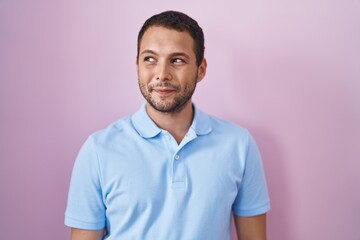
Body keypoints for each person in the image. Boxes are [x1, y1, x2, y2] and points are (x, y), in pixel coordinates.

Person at [65, 10, 270, 240]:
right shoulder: (98, 150)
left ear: (201, 69)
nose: (162, 74)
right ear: (137, 64)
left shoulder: (239, 145)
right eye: (150, 59)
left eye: (177, 60)